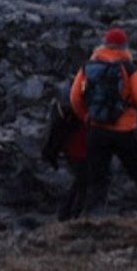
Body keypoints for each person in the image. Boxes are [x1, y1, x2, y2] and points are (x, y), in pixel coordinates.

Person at [69, 26, 137, 214]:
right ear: (124, 46)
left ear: (103, 45)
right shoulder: (129, 69)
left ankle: (91, 222)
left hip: (96, 131)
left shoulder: (88, 67)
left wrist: (86, 116)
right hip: (124, 133)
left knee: (97, 181)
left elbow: (75, 98)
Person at [41, 82, 90, 220]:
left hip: (75, 147)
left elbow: (55, 133)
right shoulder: (80, 104)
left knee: (81, 181)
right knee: (82, 182)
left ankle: (69, 215)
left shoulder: (64, 105)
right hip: (80, 147)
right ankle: (72, 216)